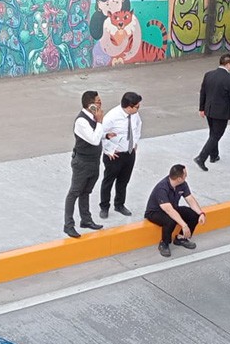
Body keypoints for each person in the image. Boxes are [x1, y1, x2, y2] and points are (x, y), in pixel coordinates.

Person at [64, 90, 114, 238]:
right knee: (74, 192)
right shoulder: (81, 121)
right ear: (90, 105)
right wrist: (99, 122)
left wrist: (105, 135)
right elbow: (93, 139)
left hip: (93, 161)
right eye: (98, 102)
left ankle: (86, 219)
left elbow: (96, 136)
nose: (100, 105)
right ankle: (68, 225)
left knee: (86, 191)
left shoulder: (93, 118)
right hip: (82, 162)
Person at [144, 164, 206, 258]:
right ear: (179, 179)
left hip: (172, 208)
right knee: (170, 220)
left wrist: (201, 213)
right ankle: (164, 243)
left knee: (193, 214)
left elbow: (190, 199)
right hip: (155, 213)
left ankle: (181, 238)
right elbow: (168, 210)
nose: (186, 176)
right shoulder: (162, 188)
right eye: (185, 174)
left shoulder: (182, 184)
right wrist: (184, 225)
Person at [99, 91, 143, 219]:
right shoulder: (112, 116)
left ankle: (119, 204)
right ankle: (104, 207)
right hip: (115, 155)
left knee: (123, 181)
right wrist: (108, 151)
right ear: (129, 106)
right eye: (137, 106)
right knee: (108, 181)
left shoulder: (135, 115)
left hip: (129, 153)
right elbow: (101, 134)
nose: (138, 109)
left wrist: (135, 142)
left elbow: (138, 127)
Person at [195, 53, 230, 171]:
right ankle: (201, 157)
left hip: (209, 110)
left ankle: (214, 155)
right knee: (216, 135)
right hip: (221, 113)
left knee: (213, 133)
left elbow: (203, 92)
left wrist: (201, 108)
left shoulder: (208, 75)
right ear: (228, 64)